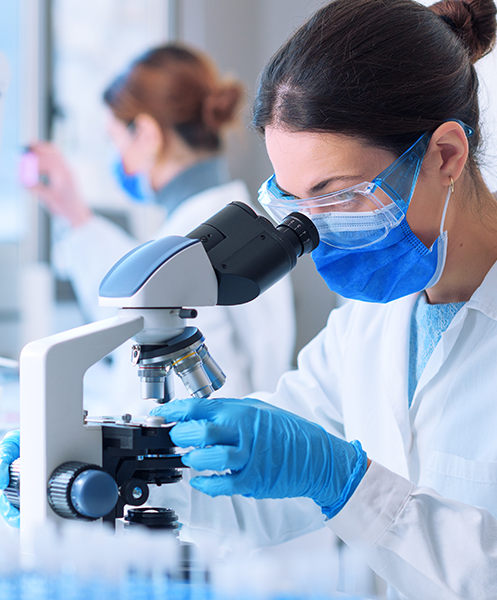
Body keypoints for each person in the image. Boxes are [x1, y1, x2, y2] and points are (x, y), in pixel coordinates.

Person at [0, 0, 497, 596]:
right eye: (296, 201)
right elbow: (261, 487)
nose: (319, 232)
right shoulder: (372, 320)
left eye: (339, 196)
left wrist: (348, 481)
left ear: (446, 156)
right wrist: (107, 460)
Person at [24, 44, 296, 405]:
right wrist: (73, 213)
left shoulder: (197, 238)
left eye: (114, 140)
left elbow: (211, 390)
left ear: (147, 135)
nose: (116, 158)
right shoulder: (227, 220)